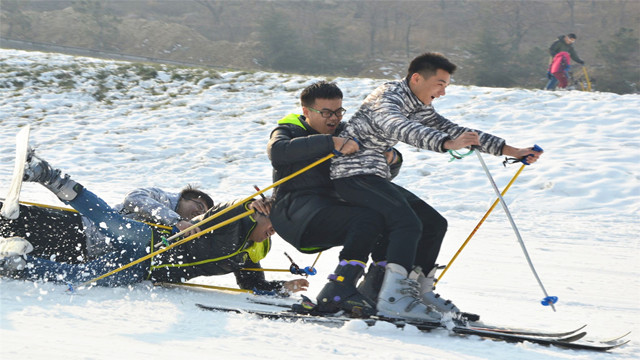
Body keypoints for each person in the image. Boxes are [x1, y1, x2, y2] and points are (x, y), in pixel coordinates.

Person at [329, 52, 543, 322]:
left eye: (446, 86)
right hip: (351, 175)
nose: (442, 92)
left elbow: (451, 129)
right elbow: (401, 127)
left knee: (433, 223)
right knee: (406, 221)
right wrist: (446, 144)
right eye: (439, 84)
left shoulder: (418, 103)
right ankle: (394, 298)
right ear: (417, 79)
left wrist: (511, 150)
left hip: (374, 175)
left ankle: (419, 292)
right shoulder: (387, 98)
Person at [0, 149, 308, 295]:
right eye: (272, 225)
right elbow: (227, 208)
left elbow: (255, 285)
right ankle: (46, 174)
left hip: (146, 267)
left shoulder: (245, 253)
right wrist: (253, 204)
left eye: (275, 232)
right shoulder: (233, 219)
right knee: (109, 220)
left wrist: (283, 287)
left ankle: (20, 265)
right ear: (260, 212)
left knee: (86, 277)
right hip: (150, 240)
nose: (272, 233)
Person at [267, 81, 404, 316]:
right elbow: (278, 151)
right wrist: (331, 143)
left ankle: (375, 287)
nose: (334, 118)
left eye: (339, 111)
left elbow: (377, 171)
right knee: (367, 218)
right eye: (327, 113)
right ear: (306, 112)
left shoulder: (346, 131)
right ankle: (339, 287)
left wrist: (392, 159)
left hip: (330, 212)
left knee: (389, 218)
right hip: (295, 216)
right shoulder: (289, 131)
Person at [1, 185, 215, 264]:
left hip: (85, 253)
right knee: (22, 220)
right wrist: (175, 219)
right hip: (83, 227)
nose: (200, 212)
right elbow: (135, 198)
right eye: (199, 204)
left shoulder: (179, 232)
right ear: (185, 197)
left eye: (204, 212)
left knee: (29, 244)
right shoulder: (163, 199)